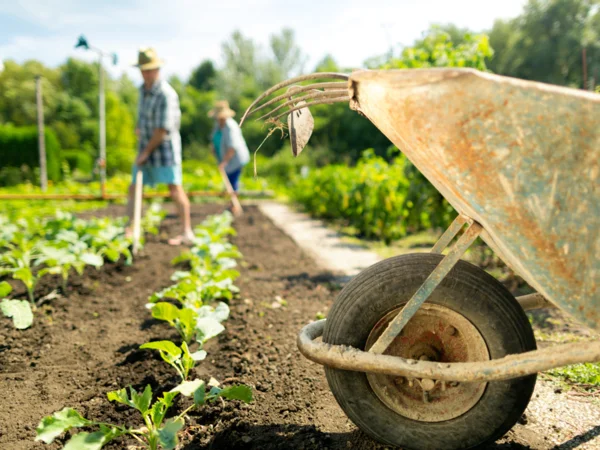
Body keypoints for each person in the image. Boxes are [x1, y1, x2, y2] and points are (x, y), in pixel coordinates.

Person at [126, 47, 194, 245]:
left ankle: (187, 232)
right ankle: (130, 228)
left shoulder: (166, 94)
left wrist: (145, 153)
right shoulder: (142, 90)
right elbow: (142, 117)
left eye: (150, 69)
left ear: (157, 69)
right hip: (145, 145)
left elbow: (162, 129)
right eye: (143, 69)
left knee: (174, 188)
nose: (146, 73)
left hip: (164, 148)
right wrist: (138, 129)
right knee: (134, 187)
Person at [209, 101, 250, 213]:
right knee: (229, 181)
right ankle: (232, 204)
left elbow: (232, 147)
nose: (219, 119)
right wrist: (213, 148)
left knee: (233, 181)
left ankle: (235, 206)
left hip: (235, 159)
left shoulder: (231, 126)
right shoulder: (217, 125)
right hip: (224, 159)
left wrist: (224, 162)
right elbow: (214, 139)